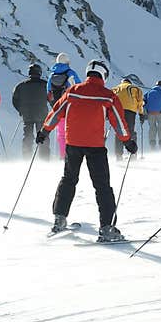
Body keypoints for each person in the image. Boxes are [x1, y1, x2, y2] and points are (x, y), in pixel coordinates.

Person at [37, 59, 136, 241]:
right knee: (102, 186)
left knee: (68, 179)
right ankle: (106, 227)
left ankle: (59, 219)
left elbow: (56, 113)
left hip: (73, 143)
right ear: (103, 74)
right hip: (95, 146)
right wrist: (127, 141)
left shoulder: (73, 91)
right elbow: (118, 121)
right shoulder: (107, 95)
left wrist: (44, 132)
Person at [11, 63, 50, 159]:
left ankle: (26, 157)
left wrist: (20, 110)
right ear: (39, 72)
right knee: (43, 136)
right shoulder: (45, 85)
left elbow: (15, 100)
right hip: (42, 115)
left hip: (27, 115)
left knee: (27, 136)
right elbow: (51, 98)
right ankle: (44, 158)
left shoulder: (20, 86)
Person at [47, 53, 81, 159]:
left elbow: (48, 92)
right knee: (72, 132)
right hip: (70, 107)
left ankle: (62, 155)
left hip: (57, 108)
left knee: (61, 134)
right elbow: (79, 87)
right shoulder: (70, 73)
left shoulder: (51, 76)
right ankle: (71, 155)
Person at [112, 74, 145, 161]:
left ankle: (118, 155)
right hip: (130, 111)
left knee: (119, 132)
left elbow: (110, 100)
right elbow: (140, 101)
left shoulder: (116, 88)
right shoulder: (135, 88)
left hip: (117, 111)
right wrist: (141, 113)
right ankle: (132, 154)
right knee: (130, 132)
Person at [143, 80, 161, 149]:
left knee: (152, 128)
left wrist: (145, 113)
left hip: (150, 113)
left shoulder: (149, 92)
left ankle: (152, 144)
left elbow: (144, 101)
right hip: (160, 113)